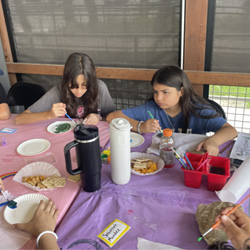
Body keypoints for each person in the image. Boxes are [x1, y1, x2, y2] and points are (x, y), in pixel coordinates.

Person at [106, 65, 238, 156]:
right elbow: (112, 116)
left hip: (190, 163)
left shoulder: (198, 110)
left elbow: (231, 130)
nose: (159, 98)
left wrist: (213, 141)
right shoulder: (151, 108)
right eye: (156, 92)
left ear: (181, 91)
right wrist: (140, 126)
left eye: (165, 92)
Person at [15, 53, 115, 125]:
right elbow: (19, 119)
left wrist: (98, 117)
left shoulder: (100, 88)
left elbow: (114, 117)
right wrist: (48, 115)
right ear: (66, 80)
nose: (79, 91)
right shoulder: (58, 92)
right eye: (74, 86)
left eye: (85, 85)